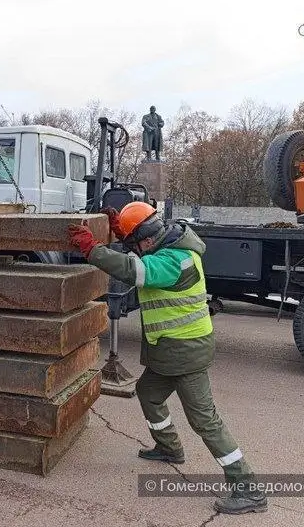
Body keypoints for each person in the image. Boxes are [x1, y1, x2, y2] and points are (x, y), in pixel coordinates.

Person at [68, 202, 267, 515]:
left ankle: (248, 488)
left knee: (204, 420)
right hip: (170, 351)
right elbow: (140, 255)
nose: (134, 247)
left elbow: (133, 269)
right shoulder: (169, 244)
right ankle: (169, 448)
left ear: (147, 239)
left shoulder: (175, 261)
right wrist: (123, 232)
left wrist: (93, 250)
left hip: (187, 352)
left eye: (135, 241)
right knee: (148, 393)